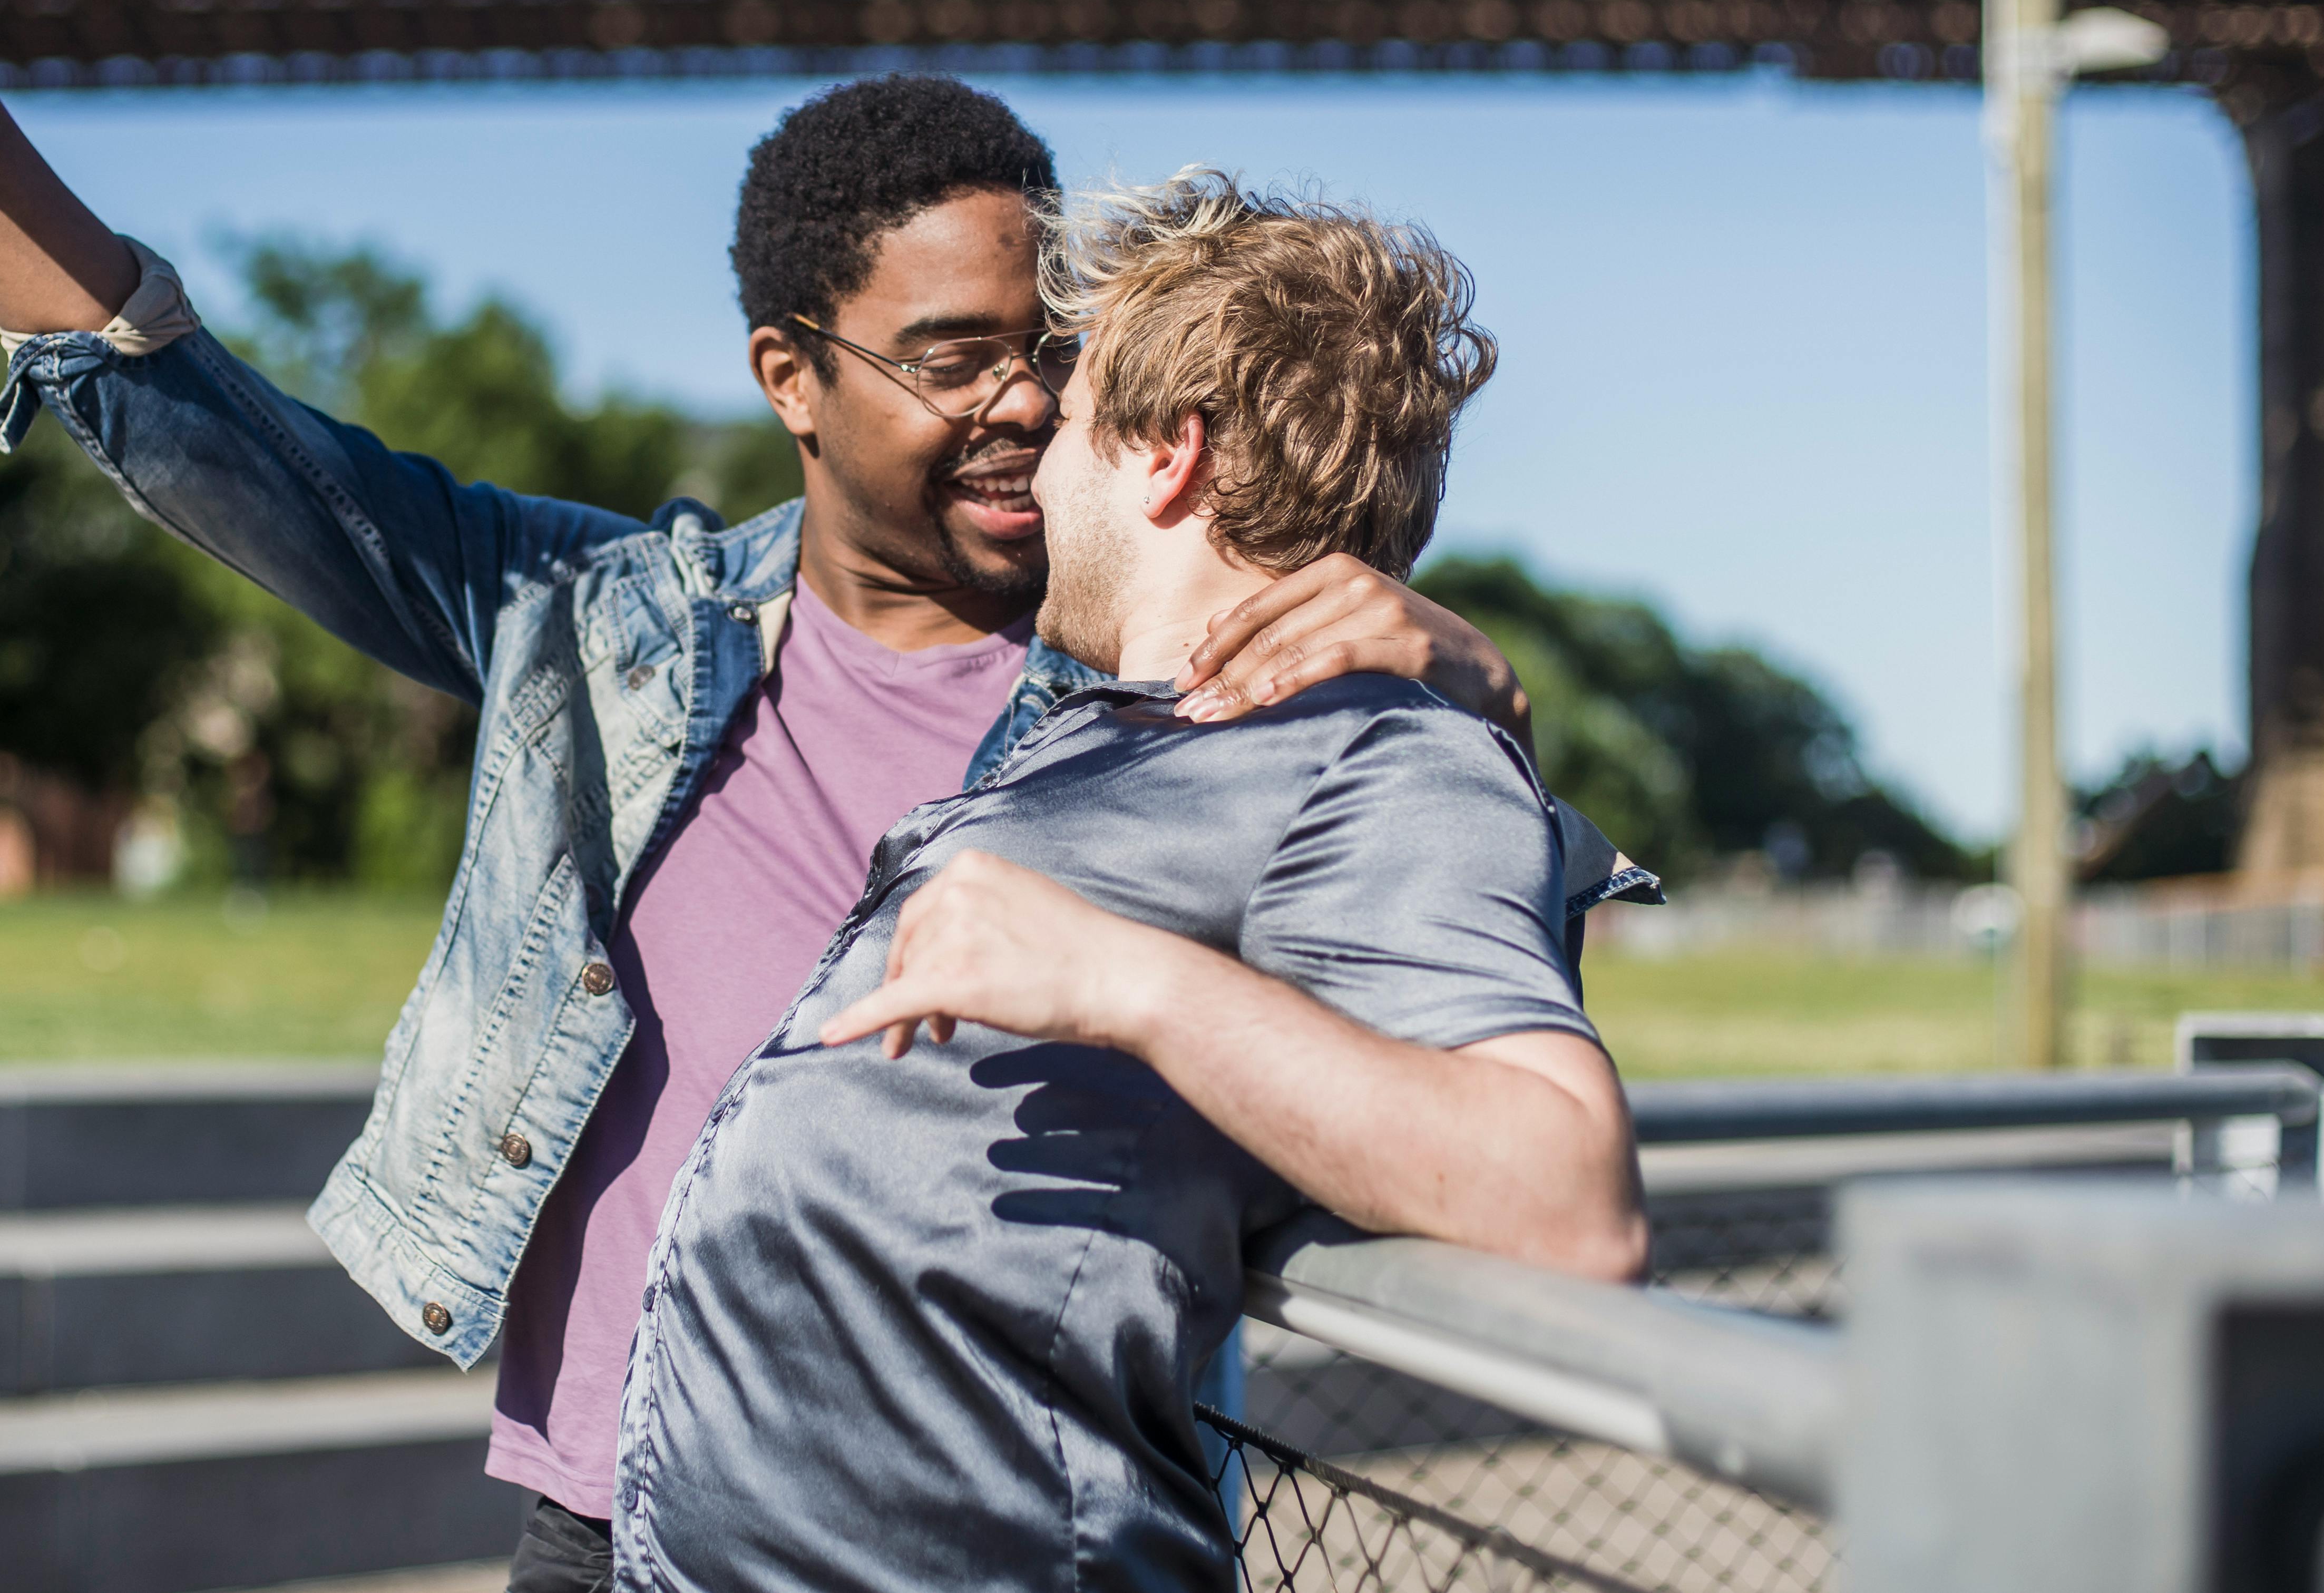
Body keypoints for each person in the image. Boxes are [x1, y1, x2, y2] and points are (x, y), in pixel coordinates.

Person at [0, 0, 1636, 1592]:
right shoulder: (599, 625)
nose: (1017, 405)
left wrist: (1479, 690)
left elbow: (1433, 991)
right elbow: (196, 425)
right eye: (952, 356)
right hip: (596, 1515)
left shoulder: (1185, 700)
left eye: (1049, 357)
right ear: (789, 378)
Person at [610, 172, 1649, 1593]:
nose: (1031, 453)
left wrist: (1121, 977)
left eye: (1073, 417)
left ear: (1169, 450)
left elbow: (1564, 1200)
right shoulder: (1113, 736)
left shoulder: (1373, 754)